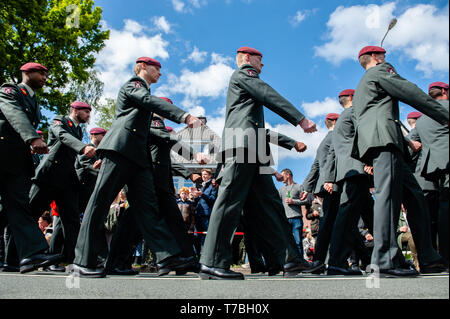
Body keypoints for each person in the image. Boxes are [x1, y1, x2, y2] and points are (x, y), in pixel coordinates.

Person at [71, 57, 203, 277]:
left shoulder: (147, 98)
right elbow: (148, 102)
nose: (160, 72)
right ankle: (81, 260)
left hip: (139, 160)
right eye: (156, 68)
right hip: (120, 151)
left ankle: (168, 257)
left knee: (148, 208)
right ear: (143, 67)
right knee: (100, 202)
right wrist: (183, 115)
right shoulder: (134, 85)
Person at [198, 46, 319, 280]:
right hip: (242, 147)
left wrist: (289, 142)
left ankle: (288, 259)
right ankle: (211, 262)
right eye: (259, 60)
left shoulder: (247, 83)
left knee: (271, 205)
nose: (262, 65)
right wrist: (300, 119)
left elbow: (262, 129)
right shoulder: (244, 74)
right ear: (246, 58)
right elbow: (268, 93)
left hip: (255, 151)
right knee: (229, 202)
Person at [352, 45, 448, 276]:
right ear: (376, 57)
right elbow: (410, 91)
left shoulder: (366, 82)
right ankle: (384, 260)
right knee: (388, 198)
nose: (387, 59)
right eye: (384, 56)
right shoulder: (380, 71)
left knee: (415, 197)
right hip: (385, 142)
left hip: (388, 141)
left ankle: (427, 256)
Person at [0, 62, 61, 273]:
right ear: (26, 73)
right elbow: (13, 113)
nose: (45, 77)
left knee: (19, 206)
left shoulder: (34, 101)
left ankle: (31, 255)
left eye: (46, 73)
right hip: (3, 155)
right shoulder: (10, 90)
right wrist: (32, 138)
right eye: (40, 72)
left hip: (17, 162)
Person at [29, 101, 95, 267]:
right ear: (74, 110)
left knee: (71, 220)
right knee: (29, 213)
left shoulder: (79, 130)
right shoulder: (60, 121)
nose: (88, 115)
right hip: (50, 175)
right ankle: (14, 258)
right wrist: (83, 147)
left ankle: (76, 261)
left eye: (89, 112)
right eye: (85, 111)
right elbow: (62, 136)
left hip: (67, 179)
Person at [321, 89, 374, 276]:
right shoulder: (354, 113)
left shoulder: (341, 121)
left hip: (348, 171)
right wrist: (369, 161)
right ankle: (337, 262)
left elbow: (333, 154)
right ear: (352, 98)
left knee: (371, 216)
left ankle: (383, 258)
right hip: (357, 170)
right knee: (347, 216)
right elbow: (365, 138)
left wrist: (330, 177)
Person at [301, 113, 340, 273]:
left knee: (333, 222)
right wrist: (329, 180)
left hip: (327, 186)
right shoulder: (336, 137)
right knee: (333, 222)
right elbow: (334, 158)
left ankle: (319, 262)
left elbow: (315, 166)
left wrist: (306, 187)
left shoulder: (323, 141)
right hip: (335, 184)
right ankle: (321, 262)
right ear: (335, 122)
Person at [415, 81, 449, 263]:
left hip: (433, 168)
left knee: (442, 210)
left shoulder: (422, 119)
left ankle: (442, 255)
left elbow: (411, 142)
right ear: (444, 91)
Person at [405, 112, 440, 251]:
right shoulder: (414, 134)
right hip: (424, 182)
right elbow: (408, 155)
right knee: (428, 220)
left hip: (427, 182)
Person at [278, 168, 310, 258]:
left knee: (298, 242)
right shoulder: (281, 190)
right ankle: (286, 262)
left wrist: (294, 201)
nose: (281, 178)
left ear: (288, 175)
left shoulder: (299, 187)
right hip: (285, 219)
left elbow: (307, 201)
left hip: (297, 218)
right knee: (285, 242)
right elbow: (277, 203)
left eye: (282, 175)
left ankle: (300, 262)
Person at [75, 127, 107, 215]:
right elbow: (87, 165)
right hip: (83, 189)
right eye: (103, 135)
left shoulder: (100, 151)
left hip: (92, 189)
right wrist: (103, 174)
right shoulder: (86, 149)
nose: (105, 137)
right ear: (94, 135)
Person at [192, 169, 217, 253]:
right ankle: (196, 257)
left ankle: (204, 257)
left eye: (205, 174)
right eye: (202, 174)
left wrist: (202, 194)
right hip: (198, 213)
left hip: (206, 214)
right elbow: (198, 201)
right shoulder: (201, 186)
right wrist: (194, 197)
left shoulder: (213, 186)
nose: (203, 176)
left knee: (204, 236)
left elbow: (212, 199)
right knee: (196, 236)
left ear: (210, 176)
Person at [397, 205, 419, 271]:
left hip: (414, 233)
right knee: (411, 236)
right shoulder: (398, 214)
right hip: (402, 234)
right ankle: (416, 263)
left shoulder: (412, 213)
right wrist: (400, 229)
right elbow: (392, 228)